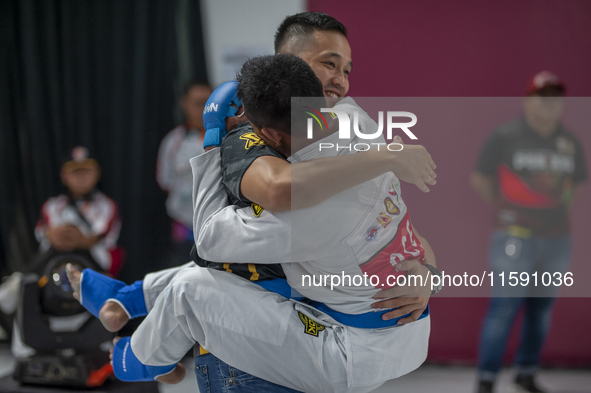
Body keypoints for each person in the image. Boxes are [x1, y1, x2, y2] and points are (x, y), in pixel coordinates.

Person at [69, 12, 438, 392]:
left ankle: (139, 358)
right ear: (289, 64)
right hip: (356, 319)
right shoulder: (349, 123)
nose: (339, 81)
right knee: (234, 274)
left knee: (197, 286)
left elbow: (223, 233)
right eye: (329, 64)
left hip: (336, 343)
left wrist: (212, 140)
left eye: (346, 70)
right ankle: (129, 302)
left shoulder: (325, 134)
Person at [471, 71, 587, 393]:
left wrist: (550, 209)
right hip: (514, 237)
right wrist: (511, 209)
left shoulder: (570, 142)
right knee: (504, 307)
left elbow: (577, 183)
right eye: (543, 96)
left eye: (556, 97)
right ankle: (486, 380)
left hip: (557, 239)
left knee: (541, 309)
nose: (550, 103)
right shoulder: (506, 137)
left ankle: (526, 372)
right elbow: (480, 179)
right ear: (528, 100)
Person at [157, 81, 213, 266]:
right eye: (198, 103)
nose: (204, 108)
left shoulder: (227, 138)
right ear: (184, 104)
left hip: (219, 229)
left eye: (209, 102)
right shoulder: (173, 141)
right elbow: (164, 182)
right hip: (185, 230)